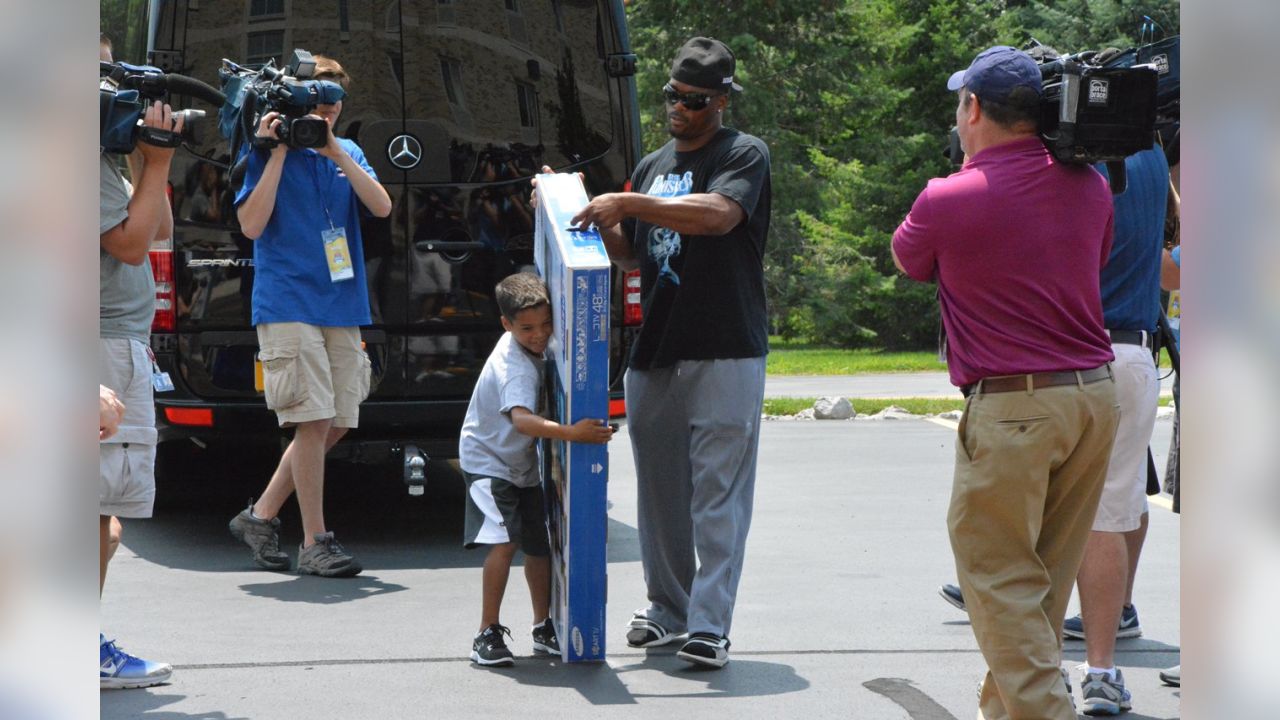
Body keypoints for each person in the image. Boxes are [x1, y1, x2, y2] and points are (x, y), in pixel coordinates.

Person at [892, 46, 1119, 719]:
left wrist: (968, 171)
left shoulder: (949, 197)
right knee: (1040, 586)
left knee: (994, 577)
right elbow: (1095, 258)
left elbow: (910, 259)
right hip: (1093, 395)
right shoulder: (1091, 184)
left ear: (972, 109)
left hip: (1016, 406)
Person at [565, 36, 771, 669]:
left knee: (716, 494)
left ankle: (709, 624)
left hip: (725, 347)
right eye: (673, 96)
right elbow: (636, 250)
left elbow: (717, 216)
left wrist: (628, 200)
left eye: (694, 100)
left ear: (722, 100)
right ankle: (668, 610)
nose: (679, 108)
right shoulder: (653, 164)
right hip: (655, 349)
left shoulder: (743, 154)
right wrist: (582, 214)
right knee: (659, 497)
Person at [227, 54, 392, 577]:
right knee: (312, 418)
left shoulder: (347, 149)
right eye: (314, 101)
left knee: (337, 419)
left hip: (341, 301)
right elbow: (251, 226)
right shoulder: (267, 150)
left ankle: (260, 515)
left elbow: (382, 207)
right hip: (287, 299)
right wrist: (275, 153)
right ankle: (315, 541)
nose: (323, 111)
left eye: (332, 103)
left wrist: (335, 150)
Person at [1056, 146, 1168, 716]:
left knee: (1049, 515)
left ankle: (1032, 670)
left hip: (1070, 350)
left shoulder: (1068, 155)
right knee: (1113, 513)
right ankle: (1102, 671)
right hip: (1134, 353)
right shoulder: (1152, 153)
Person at [460, 273, 614, 666]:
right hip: (487, 461)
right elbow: (523, 421)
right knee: (504, 542)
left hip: (520, 465)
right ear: (506, 325)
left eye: (546, 324)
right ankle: (486, 632)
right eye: (527, 328)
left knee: (538, 546)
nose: (539, 334)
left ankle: (542, 625)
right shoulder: (516, 369)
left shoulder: (528, 347)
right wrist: (572, 434)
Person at [99, 33, 180, 689]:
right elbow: (130, 246)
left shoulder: (98, 160)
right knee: (92, 517)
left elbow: (159, 231)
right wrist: (152, 166)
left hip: (115, 342)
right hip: (96, 346)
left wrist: (151, 164)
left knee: (102, 518)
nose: (114, 94)